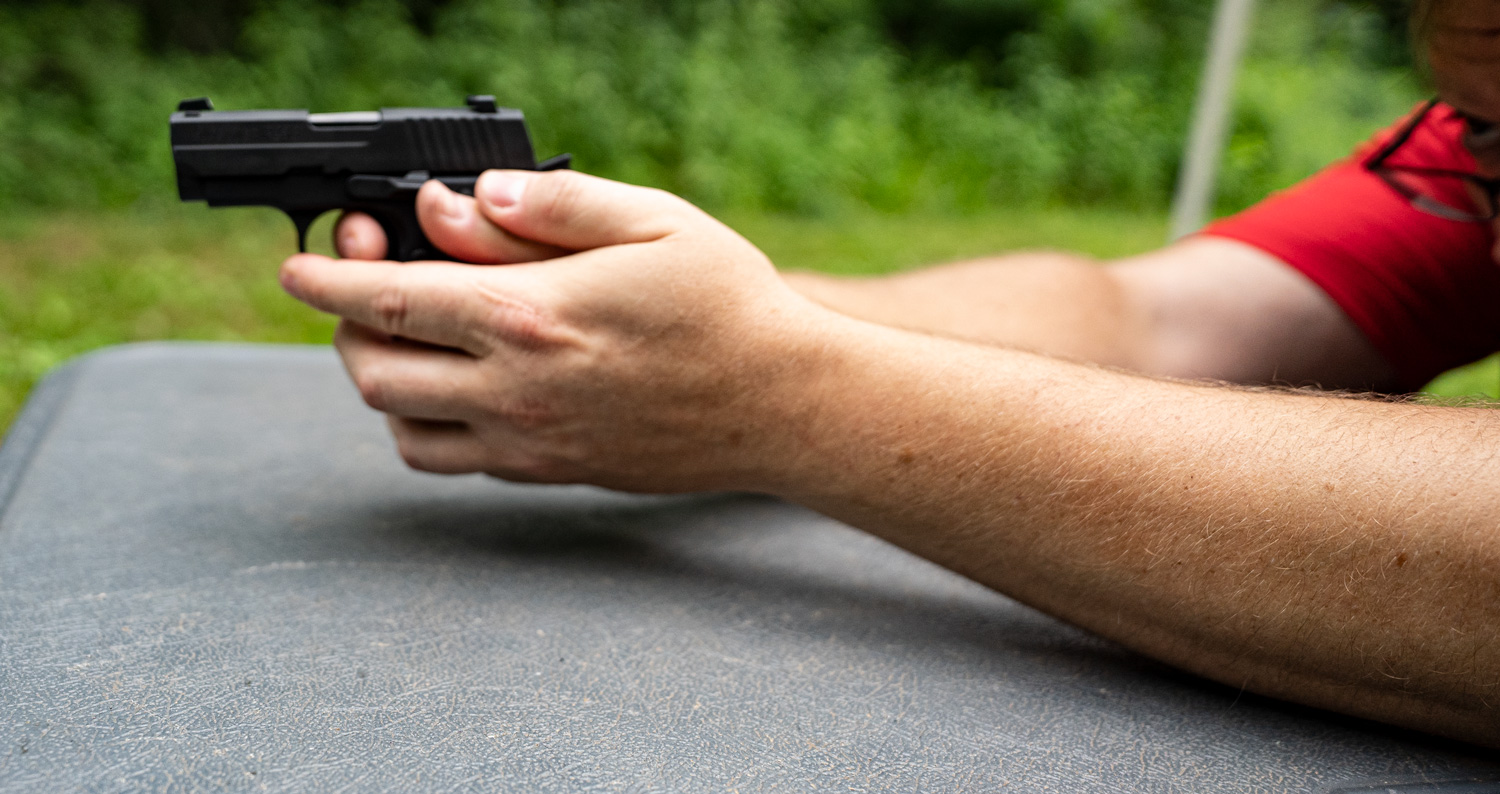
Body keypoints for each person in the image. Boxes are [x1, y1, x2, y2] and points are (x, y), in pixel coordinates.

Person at [277, 0, 1499, 748]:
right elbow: (1162, 313)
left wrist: (781, 395)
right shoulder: (1471, 145)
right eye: (1491, 132)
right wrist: (636, 307)